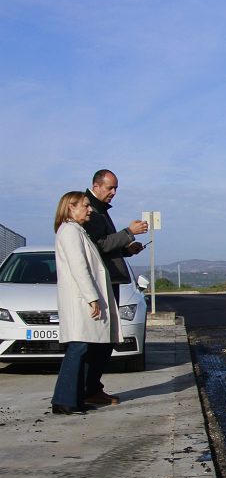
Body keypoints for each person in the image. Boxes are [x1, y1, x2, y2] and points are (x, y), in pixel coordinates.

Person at [51, 191, 121, 415]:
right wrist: (92, 297)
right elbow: (79, 267)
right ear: (70, 207)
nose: (89, 209)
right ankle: (63, 401)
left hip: (82, 300)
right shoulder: (70, 231)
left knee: (84, 348)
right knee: (78, 348)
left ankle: (75, 399)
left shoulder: (76, 230)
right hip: (80, 301)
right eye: (85, 206)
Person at [82, 169, 148, 405]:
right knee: (99, 340)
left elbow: (107, 247)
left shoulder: (100, 209)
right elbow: (97, 245)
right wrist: (129, 233)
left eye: (116, 188)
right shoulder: (88, 209)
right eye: (110, 188)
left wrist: (126, 250)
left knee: (107, 339)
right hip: (103, 283)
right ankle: (89, 389)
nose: (113, 193)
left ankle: (92, 387)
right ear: (96, 185)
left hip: (111, 281)